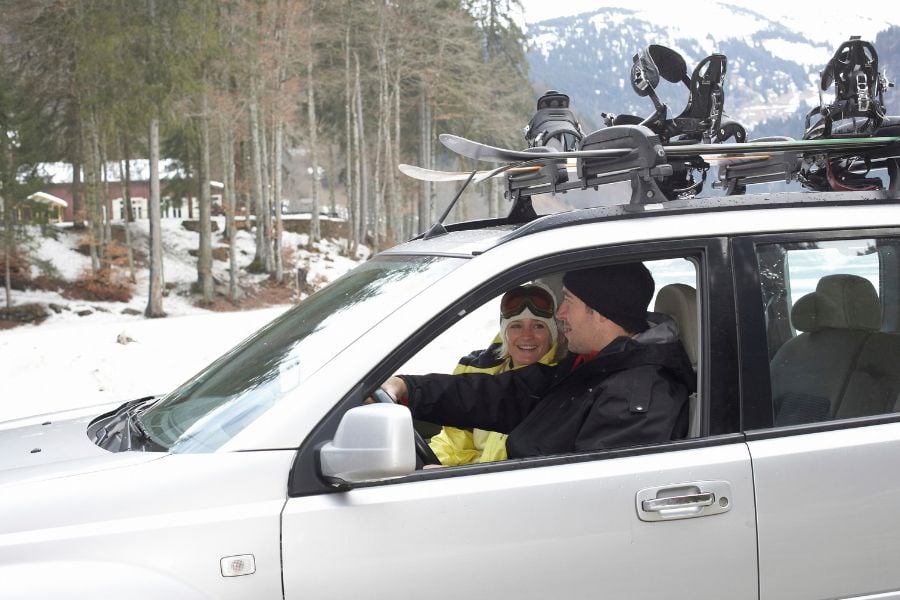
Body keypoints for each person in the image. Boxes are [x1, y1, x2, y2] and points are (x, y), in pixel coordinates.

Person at [380, 262, 695, 459]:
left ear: (598, 312)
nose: (560, 314)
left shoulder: (637, 396)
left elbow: (593, 497)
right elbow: (505, 395)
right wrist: (407, 387)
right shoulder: (592, 366)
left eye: (568, 301)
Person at [429, 284, 561, 465]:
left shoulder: (561, 382)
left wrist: (457, 476)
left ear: (552, 333)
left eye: (538, 326)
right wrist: (428, 467)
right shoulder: (476, 369)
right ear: (504, 333)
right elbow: (454, 440)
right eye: (516, 326)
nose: (527, 336)